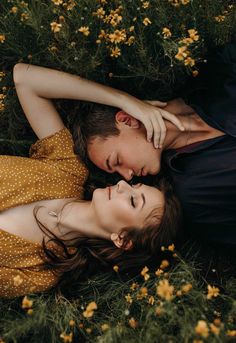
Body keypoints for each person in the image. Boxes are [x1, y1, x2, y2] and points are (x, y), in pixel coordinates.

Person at [0, 63, 182, 298]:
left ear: (123, 239)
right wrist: (126, 101)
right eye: (135, 185)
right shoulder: (67, 170)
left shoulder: (43, 272)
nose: (122, 185)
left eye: (134, 202)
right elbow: (26, 79)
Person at [75, 41, 236, 247]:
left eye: (116, 161)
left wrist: (124, 100)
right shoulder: (193, 194)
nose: (126, 177)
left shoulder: (219, 72)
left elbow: (24, 76)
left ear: (127, 120)